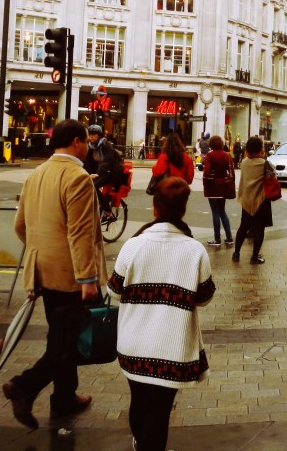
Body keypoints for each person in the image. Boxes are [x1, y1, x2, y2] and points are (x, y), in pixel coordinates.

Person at [2, 120, 104, 430]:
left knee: (61, 338)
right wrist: (87, 279)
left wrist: (42, 253)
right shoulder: (77, 177)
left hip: (43, 272)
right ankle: (25, 385)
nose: (88, 147)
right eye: (86, 141)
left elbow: (20, 226)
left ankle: (64, 398)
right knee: (66, 345)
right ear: (76, 142)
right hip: (71, 277)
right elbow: (80, 233)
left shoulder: (36, 174)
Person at [108, 176, 215, 451]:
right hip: (171, 350)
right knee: (158, 410)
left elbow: (114, 291)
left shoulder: (133, 245)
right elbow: (204, 297)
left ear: (155, 208)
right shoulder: (195, 250)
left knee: (139, 400)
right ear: (183, 210)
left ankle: (140, 442)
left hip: (133, 345)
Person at [232, 136, 271, 264]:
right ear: (261, 149)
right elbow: (272, 177)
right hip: (261, 200)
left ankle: (236, 253)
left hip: (246, 200)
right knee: (259, 229)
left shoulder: (244, 162)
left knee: (243, 227)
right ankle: (254, 256)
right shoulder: (264, 163)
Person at [202, 135, 235, 247]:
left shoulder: (209, 156)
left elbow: (206, 172)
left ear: (211, 144)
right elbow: (231, 172)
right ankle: (229, 237)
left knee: (215, 212)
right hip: (223, 186)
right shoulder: (226, 155)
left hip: (213, 186)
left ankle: (217, 238)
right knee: (222, 211)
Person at [84, 124, 124, 217]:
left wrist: (97, 174)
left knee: (93, 186)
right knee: (86, 184)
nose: (91, 136)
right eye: (90, 134)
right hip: (101, 172)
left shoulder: (107, 146)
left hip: (112, 172)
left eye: (94, 134)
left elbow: (106, 162)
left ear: (99, 135)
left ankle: (107, 209)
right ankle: (95, 205)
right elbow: (88, 163)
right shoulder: (90, 147)